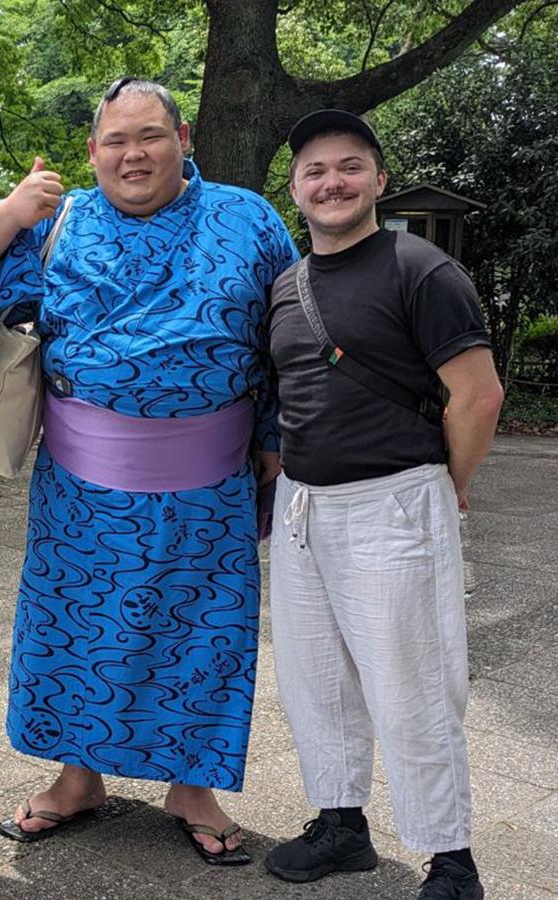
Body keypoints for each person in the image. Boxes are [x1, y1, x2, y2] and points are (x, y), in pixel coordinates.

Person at [0, 79, 298, 864]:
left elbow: (287, 339)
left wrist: (276, 436)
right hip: (81, 479)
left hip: (210, 474)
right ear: (94, 150)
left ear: (185, 137)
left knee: (203, 632)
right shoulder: (59, 221)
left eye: (150, 136)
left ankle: (191, 786)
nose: (133, 154)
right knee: (77, 630)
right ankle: (77, 777)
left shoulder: (250, 220)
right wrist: (6, 212)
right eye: (115, 141)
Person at [263, 109, 502, 900]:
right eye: (315, 172)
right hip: (302, 507)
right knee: (315, 679)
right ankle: (341, 825)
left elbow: (477, 397)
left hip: (393, 504)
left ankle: (451, 858)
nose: (332, 182)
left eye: (349, 167)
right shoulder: (288, 285)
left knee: (412, 685)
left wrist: (447, 484)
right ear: (295, 189)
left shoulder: (422, 270)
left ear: (378, 180)